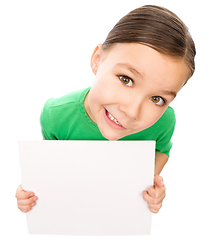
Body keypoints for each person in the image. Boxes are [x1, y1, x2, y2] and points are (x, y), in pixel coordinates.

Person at [15, 5, 196, 214]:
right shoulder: (55, 116)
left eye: (157, 99)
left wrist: (146, 187)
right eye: (126, 79)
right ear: (97, 60)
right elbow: (52, 169)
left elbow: (161, 150)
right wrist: (31, 194)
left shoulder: (163, 121)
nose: (131, 111)